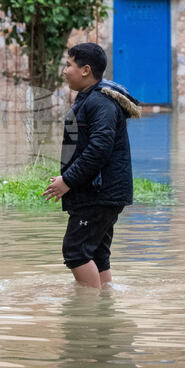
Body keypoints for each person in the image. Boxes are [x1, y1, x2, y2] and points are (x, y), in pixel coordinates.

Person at [43, 42, 139, 289]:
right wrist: (70, 176)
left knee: (75, 252)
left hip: (100, 194)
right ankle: (103, 312)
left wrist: (68, 180)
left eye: (68, 65)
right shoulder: (92, 99)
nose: (65, 71)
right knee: (96, 254)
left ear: (85, 70)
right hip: (101, 193)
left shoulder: (99, 103)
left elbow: (99, 149)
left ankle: (87, 317)